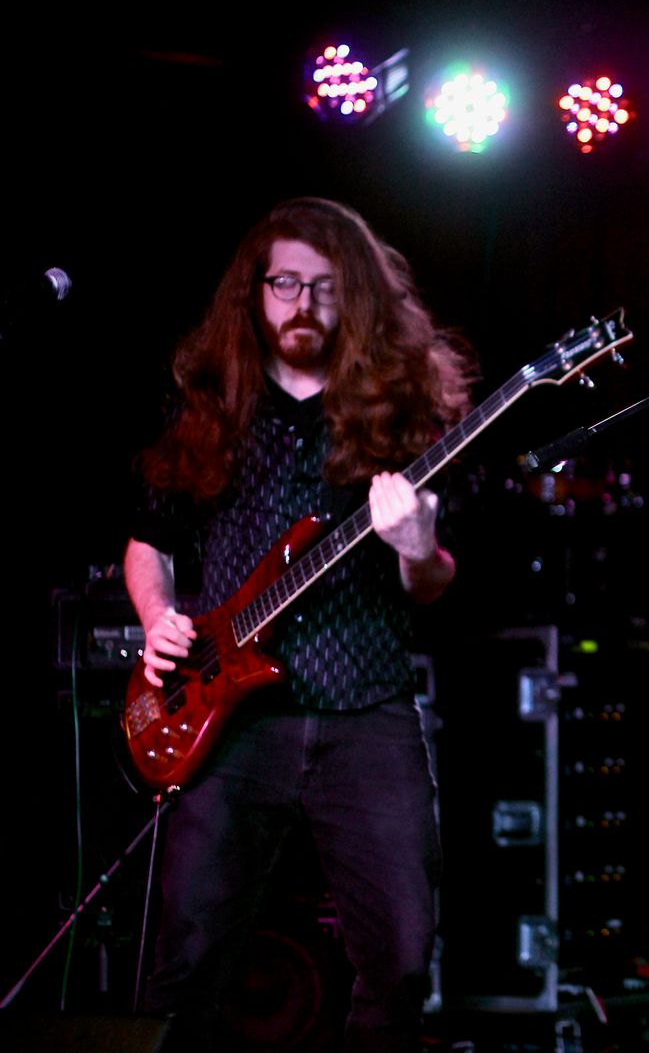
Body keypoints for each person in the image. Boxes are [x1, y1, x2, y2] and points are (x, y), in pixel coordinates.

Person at [124, 196, 475, 1051]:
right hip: (230, 718)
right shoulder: (210, 405)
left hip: (366, 711)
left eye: (324, 286)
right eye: (285, 283)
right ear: (254, 291)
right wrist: (159, 617)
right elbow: (147, 544)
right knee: (187, 962)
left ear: (355, 295)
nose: (304, 304)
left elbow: (433, 583)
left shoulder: (404, 412)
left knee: (400, 959)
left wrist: (416, 545)